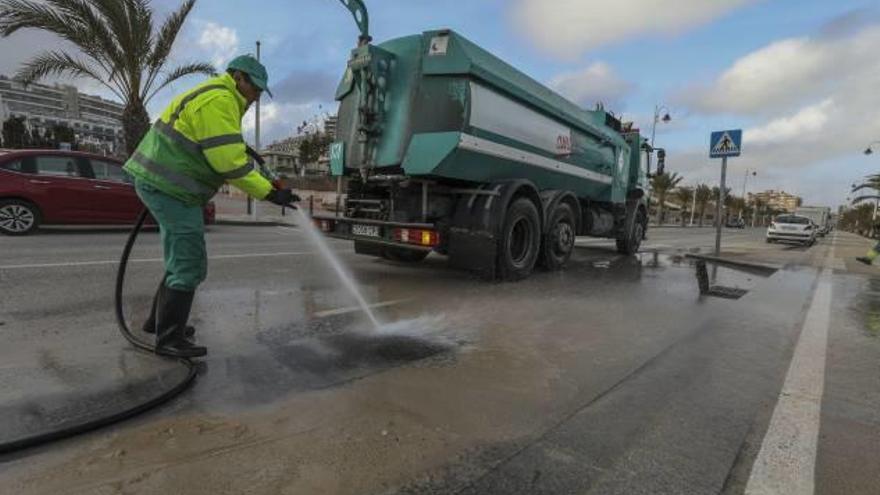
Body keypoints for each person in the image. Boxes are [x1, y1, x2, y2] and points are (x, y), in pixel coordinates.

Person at [123, 55, 299, 357]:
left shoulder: (218, 98)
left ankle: (159, 323)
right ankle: (169, 341)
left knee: (179, 261)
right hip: (171, 189)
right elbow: (229, 163)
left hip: (169, 187)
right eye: (254, 88)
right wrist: (270, 195)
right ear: (239, 77)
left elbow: (225, 151)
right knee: (189, 264)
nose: (256, 96)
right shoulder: (219, 101)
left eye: (260, 91)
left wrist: (269, 184)